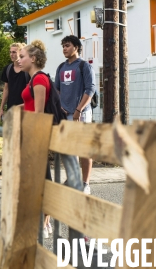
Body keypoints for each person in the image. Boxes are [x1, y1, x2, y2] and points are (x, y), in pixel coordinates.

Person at [17, 39, 54, 238]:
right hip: (29, 134)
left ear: (33, 58)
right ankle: (42, 221)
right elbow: (30, 105)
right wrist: (17, 110)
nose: (18, 59)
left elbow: (39, 112)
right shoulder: (32, 80)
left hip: (36, 135)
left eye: (22, 56)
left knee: (42, 180)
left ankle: (45, 222)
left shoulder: (39, 79)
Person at [55, 35, 96, 195]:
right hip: (65, 115)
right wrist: (60, 106)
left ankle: (85, 183)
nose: (64, 49)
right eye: (63, 46)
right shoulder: (61, 67)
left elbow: (90, 90)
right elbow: (57, 90)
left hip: (81, 114)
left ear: (76, 47)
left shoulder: (84, 66)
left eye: (67, 45)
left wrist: (79, 110)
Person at [0, 42, 28, 121]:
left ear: (20, 52)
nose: (11, 54)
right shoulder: (7, 69)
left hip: (24, 109)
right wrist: (1, 108)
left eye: (14, 52)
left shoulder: (27, 70)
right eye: (10, 52)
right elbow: (6, 89)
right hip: (10, 109)